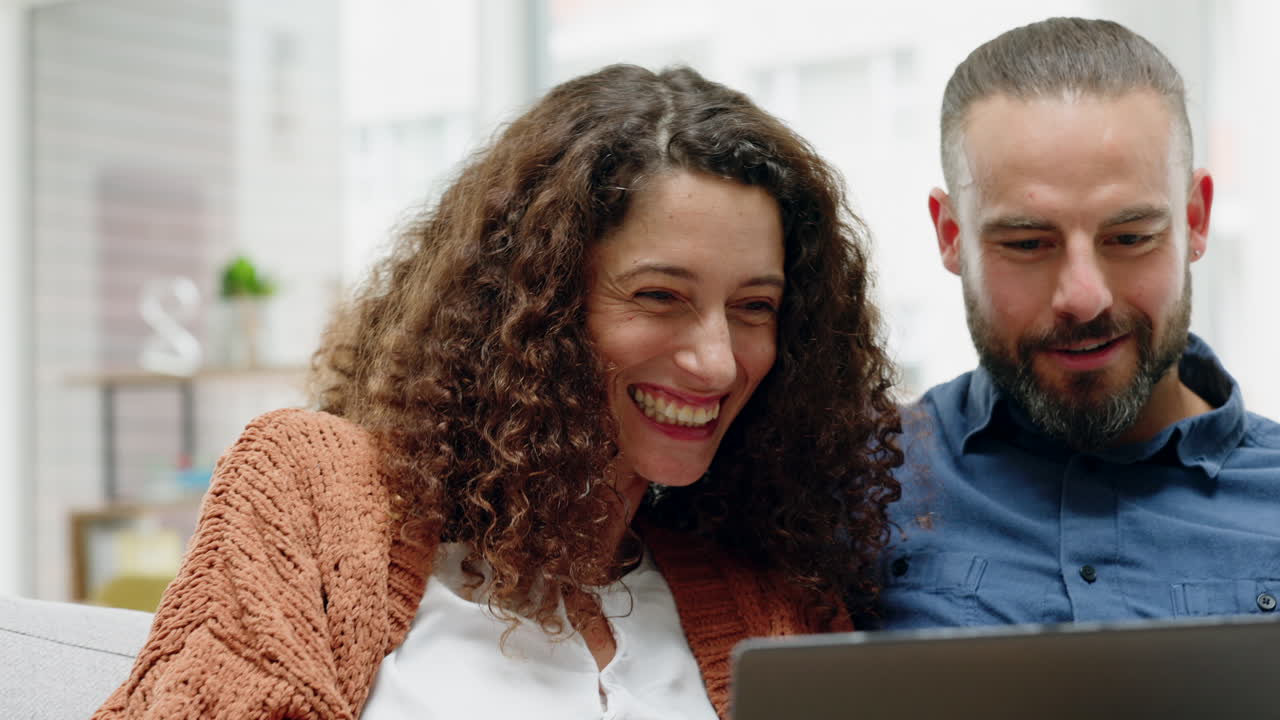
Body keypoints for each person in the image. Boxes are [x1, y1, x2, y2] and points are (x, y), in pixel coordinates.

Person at [94, 64, 902, 719]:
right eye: (660, 296)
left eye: (754, 308)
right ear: (537, 305)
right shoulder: (313, 488)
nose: (719, 364)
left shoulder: (769, 593)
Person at [869, 17, 1280, 631]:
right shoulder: (858, 485)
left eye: (1130, 237)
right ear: (952, 237)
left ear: (1195, 220)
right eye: (1029, 244)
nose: (1083, 298)